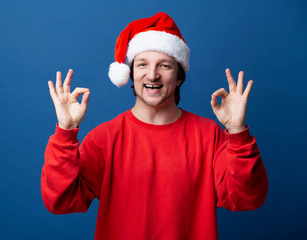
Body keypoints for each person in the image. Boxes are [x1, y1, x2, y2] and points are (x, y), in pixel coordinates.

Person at [41, 12, 268, 240]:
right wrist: (65, 132)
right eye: (142, 64)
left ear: (179, 77)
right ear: (130, 73)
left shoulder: (209, 136)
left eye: (165, 66)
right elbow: (61, 201)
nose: (152, 74)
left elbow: (247, 198)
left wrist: (238, 133)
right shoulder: (104, 138)